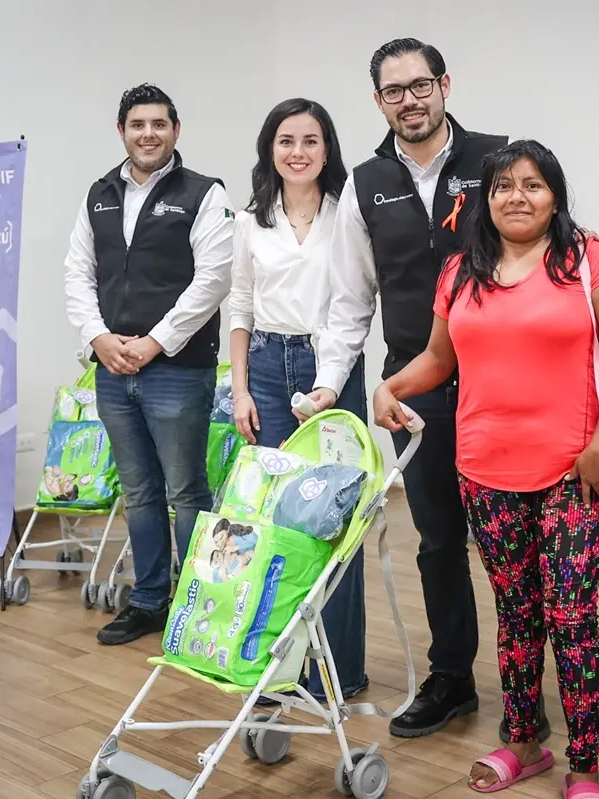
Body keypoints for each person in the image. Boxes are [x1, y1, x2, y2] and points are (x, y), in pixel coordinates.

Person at [296, 37, 550, 742]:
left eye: (420, 84)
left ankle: (528, 687)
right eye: (393, 90)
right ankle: (452, 679)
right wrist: (326, 383)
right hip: (419, 388)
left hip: (509, 388)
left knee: (519, 546)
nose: (409, 99)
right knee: (439, 541)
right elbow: (351, 300)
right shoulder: (365, 183)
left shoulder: (500, 160)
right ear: (378, 101)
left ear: (445, 84)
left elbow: (549, 264)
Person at [373, 139, 599, 797]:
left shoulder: (588, 260)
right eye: (503, 187)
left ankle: (584, 767)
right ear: (485, 198)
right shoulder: (462, 270)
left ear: (555, 195)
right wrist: (391, 387)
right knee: (516, 612)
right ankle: (524, 740)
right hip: (484, 470)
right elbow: (440, 359)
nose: (517, 197)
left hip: (573, 472)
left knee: (572, 616)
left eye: (532, 185)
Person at [64, 83, 235, 645]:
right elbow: (78, 275)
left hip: (177, 370)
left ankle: (195, 604)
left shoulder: (204, 194)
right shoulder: (100, 194)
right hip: (114, 370)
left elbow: (212, 280)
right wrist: (99, 339)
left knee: (186, 491)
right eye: (137, 125)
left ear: (176, 130)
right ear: (122, 131)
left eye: (159, 124)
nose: (148, 134)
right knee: (138, 492)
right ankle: (148, 600)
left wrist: (155, 342)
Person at [225, 97, 370, 701]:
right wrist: (237, 390)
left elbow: (352, 303)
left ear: (327, 150)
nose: (298, 152)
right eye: (286, 141)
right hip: (264, 367)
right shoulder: (249, 220)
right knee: (273, 516)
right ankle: (279, 661)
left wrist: (328, 384)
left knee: (338, 519)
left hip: (331, 364)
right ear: (270, 150)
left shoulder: (348, 216)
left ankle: (339, 671)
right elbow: (238, 306)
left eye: (310, 141)